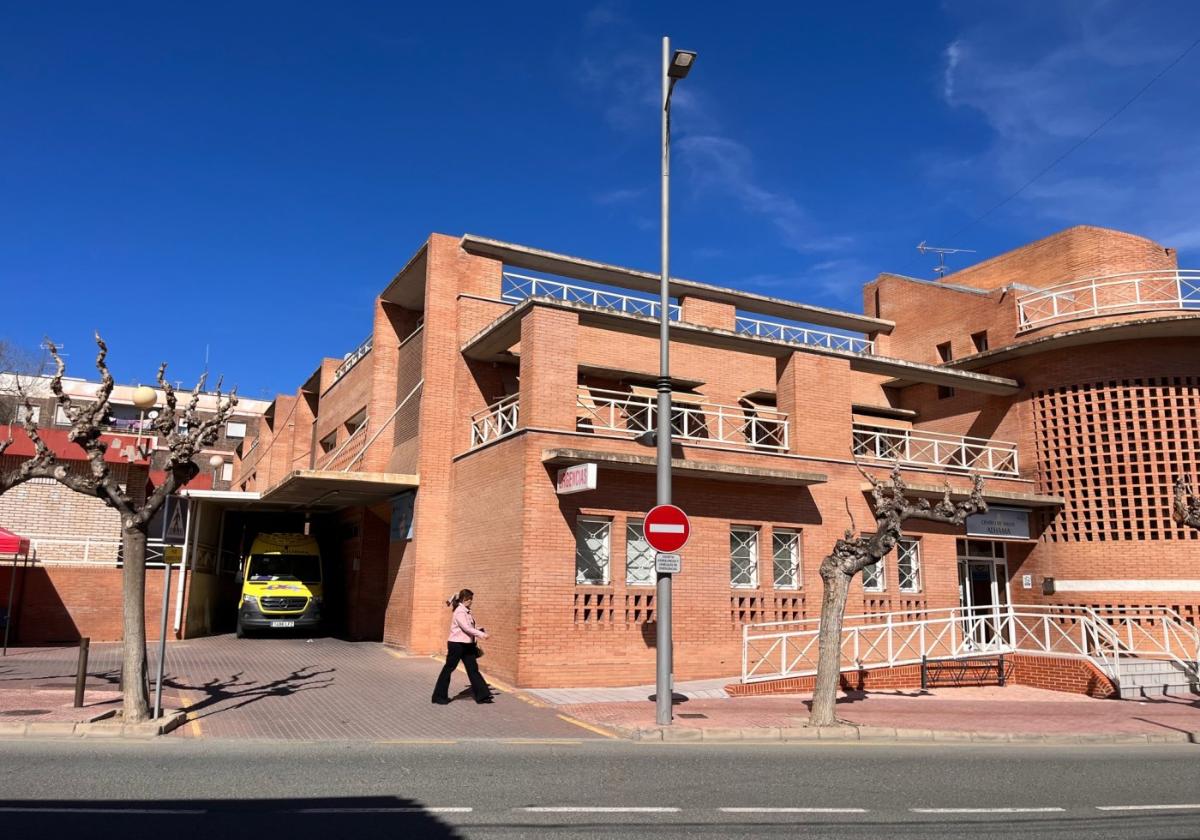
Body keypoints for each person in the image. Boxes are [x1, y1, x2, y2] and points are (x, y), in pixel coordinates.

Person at [431, 588, 493, 704]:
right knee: (449, 669)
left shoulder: (466, 611)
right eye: (470, 599)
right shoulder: (460, 611)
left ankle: (483, 696)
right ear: (465, 599)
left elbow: (469, 627)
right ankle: (439, 697)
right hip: (456, 645)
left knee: (473, 669)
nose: (471, 601)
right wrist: (482, 635)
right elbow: (466, 628)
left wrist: (478, 629)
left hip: (467, 646)